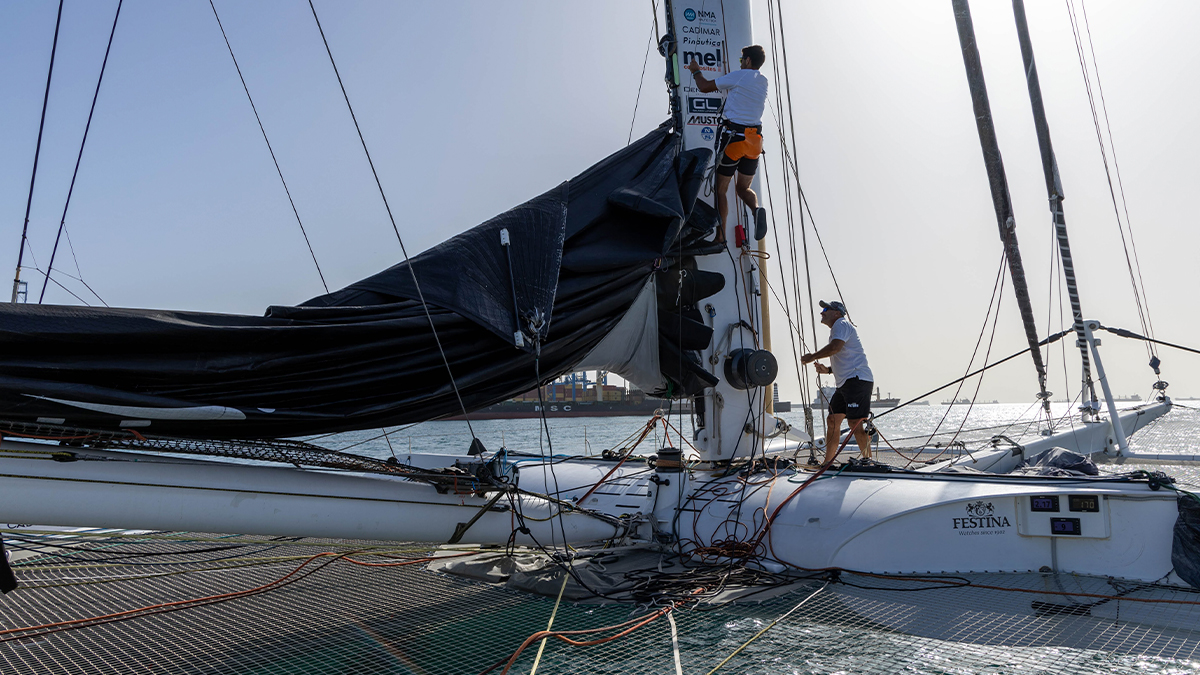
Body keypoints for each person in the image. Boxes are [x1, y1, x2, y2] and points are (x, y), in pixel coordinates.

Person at [687, 45, 768, 246]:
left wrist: (696, 70)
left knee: (721, 189)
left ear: (748, 61)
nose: (740, 62)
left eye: (742, 59)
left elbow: (704, 87)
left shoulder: (741, 76)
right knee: (743, 188)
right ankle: (756, 209)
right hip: (754, 143)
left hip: (735, 139)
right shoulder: (763, 81)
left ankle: (720, 237)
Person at [800, 300, 875, 464]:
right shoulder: (837, 329)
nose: (822, 312)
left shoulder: (841, 324)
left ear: (837, 313)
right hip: (845, 383)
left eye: (826, 309)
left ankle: (868, 461)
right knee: (833, 420)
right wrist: (827, 370)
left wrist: (812, 357)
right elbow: (845, 359)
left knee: (855, 422)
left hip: (857, 380)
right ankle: (828, 463)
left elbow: (835, 348)